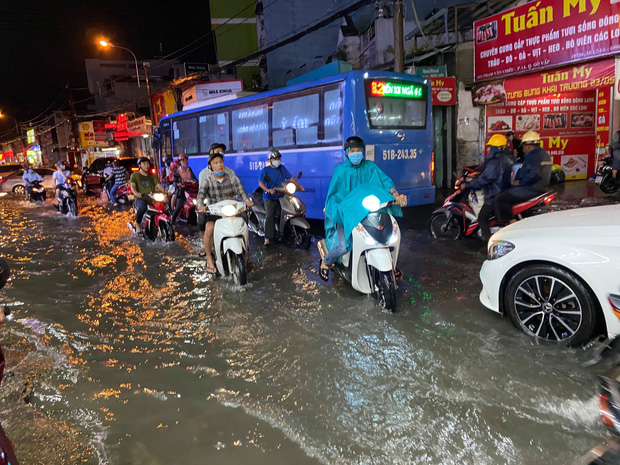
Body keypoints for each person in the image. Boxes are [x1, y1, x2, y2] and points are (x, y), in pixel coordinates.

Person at [319, 136, 407, 281]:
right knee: (343, 247)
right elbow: (333, 195)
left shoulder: (370, 167)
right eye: (352, 150)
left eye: (358, 150)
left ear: (363, 152)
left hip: (367, 212)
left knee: (385, 237)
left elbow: (385, 182)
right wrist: (337, 208)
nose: (355, 153)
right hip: (347, 214)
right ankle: (326, 262)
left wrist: (394, 193)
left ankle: (389, 264)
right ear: (346, 153)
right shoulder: (341, 171)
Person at [197, 143, 253, 273]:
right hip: (215, 211)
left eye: (221, 162)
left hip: (232, 209)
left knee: (244, 222)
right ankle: (209, 258)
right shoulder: (207, 181)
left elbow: (241, 191)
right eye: (216, 163)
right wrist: (201, 206)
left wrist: (246, 201)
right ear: (210, 166)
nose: (219, 165)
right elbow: (200, 196)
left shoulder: (232, 178)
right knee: (209, 228)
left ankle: (246, 252)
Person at [460, 134, 515, 242]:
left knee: (482, 218)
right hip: (506, 191)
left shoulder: (495, 162)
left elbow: (485, 179)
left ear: (496, 148)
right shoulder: (509, 158)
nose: (488, 149)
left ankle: (488, 242)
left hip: (495, 194)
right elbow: (486, 169)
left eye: (490, 147)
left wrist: (467, 185)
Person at [494, 130, 552, 223]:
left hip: (531, 188)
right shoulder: (543, 154)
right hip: (539, 187)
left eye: (523, 146)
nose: (522, 149)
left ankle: (511, 225)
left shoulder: (533, 155)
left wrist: (519, 182)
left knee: (501, 198)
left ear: (528, 146)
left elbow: (534, 173)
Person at [258, 148, 304, 247]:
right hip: (269, 197)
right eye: (275, 159)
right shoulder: (266, 170)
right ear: (270, 160)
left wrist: (298, 186)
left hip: (280, 196)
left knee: (283, 214)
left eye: (278, 158)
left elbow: (291, 178)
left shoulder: (282, 168)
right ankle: (267, 238)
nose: (277, 161)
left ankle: (281, 233)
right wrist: (267, 189)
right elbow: (261, 182)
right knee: (270, 215)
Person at [129, 157, 165, 237]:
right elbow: (133, 187)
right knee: (142, 208)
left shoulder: (152, 176)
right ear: (140, 165)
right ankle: (138, 224)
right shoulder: (135, 175)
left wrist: (165, 191)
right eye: (144, 164)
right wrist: (136, 193)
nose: (147, 165)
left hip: (152, 197)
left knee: (163, 207)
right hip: (141, 198)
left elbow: (159, 186)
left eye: (148, 163)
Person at [170, 154, 198, 224]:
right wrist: (178, 184)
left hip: (191, 189)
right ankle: (172, 219)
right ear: (180, 161)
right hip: (181, 191)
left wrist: (196, 182)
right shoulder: (176, 171)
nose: (186, 161)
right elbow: (174, 182)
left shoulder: (189, 169)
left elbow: (194, 179)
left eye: (186, 160)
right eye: (183, 160)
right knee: (179, 205)